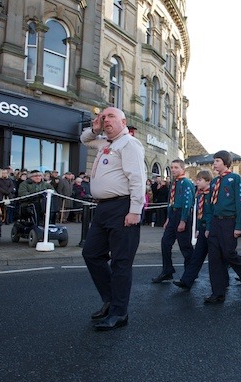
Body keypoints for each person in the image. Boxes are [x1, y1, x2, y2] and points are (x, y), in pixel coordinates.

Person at [80, 106, 146, 331]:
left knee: (121, 262)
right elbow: (84, 140)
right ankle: (110, 299)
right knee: (91, 253)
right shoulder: (105, 143)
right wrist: (95, 127)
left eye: (111, 117)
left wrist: (135, 210)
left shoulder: (129, 144)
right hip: (103, 208)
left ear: (123, 121)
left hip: (122, 207)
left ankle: (119, 313)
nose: (106, 120)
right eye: (103, 117)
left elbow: (137, 178)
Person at [204, 150, 241, 304]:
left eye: (217, 161)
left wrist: (239, 226)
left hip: (229, 222)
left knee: (229, 254)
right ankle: (217, 293)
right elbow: (210, 206)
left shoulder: (234, 179)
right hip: (215, 222)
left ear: (225, 163)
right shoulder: (214, 182)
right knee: (214, 258)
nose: (214, 164)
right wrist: (208, 226)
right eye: (214, 161)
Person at [152, 159, 195, 283]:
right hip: (173, 215)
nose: (173, 169)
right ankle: (167, 270)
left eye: (176, 167)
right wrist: (168, 219)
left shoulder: (186, 182)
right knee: (165, 243)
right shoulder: (174, 183)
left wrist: (183, 220)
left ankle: (190, 273)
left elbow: (187, 203)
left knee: (185, 246)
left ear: (183, 169)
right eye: (172, 167)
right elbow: (170, 202)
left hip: (182, 215)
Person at [173, 170, 213, 290]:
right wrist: (198, 228)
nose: (197, 182)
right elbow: (199, 213)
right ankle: (187, 281)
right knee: (197, 256)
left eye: (200, 180)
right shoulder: (200, 195)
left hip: (210, 229)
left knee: (223, 256)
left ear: (208, 181)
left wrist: (209, 228)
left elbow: (211, 212)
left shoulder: (212, 194)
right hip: (202, 228)